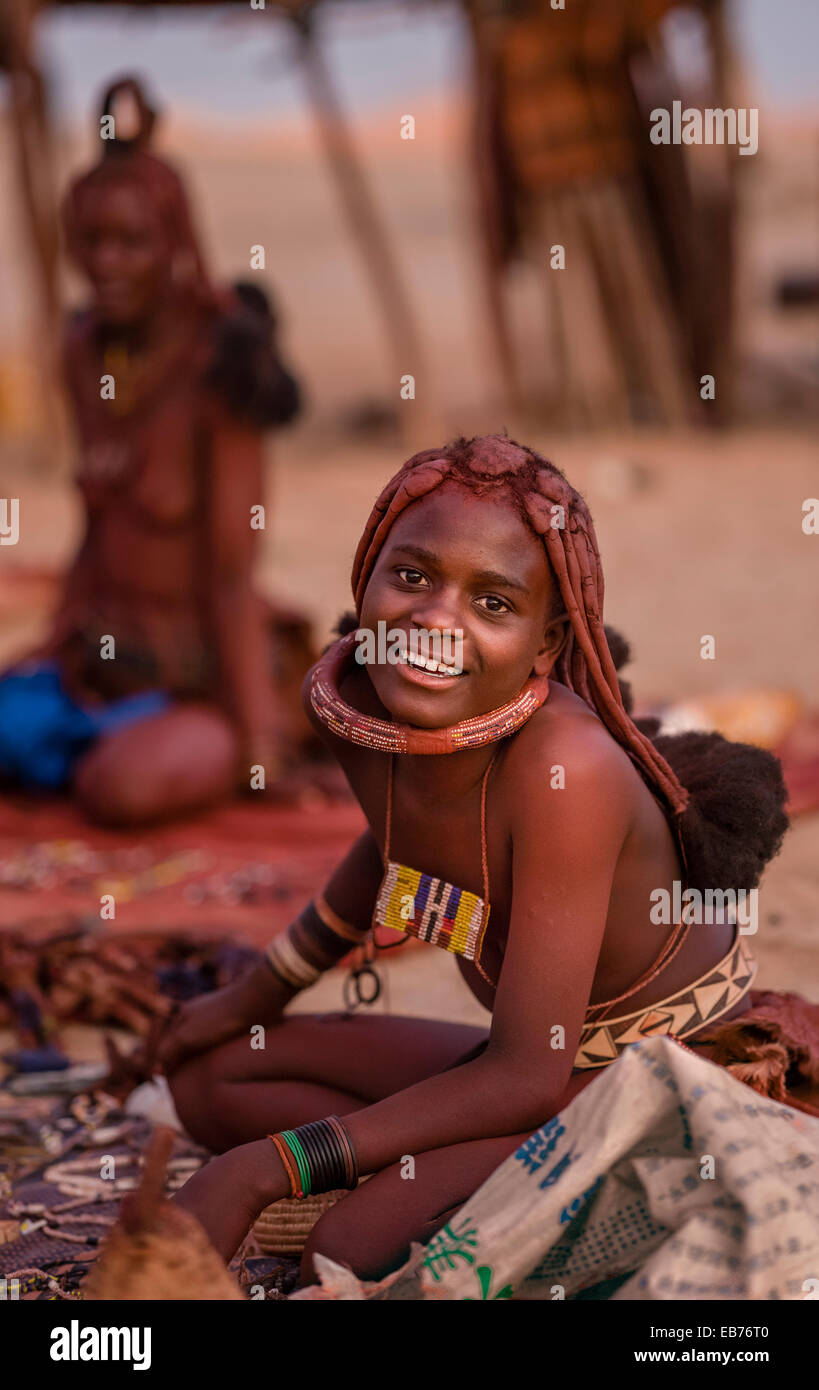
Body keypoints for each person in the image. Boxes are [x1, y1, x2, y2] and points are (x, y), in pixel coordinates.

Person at [163, 433, 802, 1283]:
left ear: (544, 645)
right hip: (519, 1064)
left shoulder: (562, 774)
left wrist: (270, 1167)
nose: (435, 623)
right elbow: (391, 839)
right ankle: (413, 1175)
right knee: (212, 1078)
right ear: (366, 576)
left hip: (635, 1071)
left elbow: (527, 1075)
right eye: (414, 577)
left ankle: (414, 1188)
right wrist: (260, 988)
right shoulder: (359, 698)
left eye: (493, 604)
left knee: (343, 1247)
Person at [0, 77, 304, 825]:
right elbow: (99, 530)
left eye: (131, 242)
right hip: (100, 669)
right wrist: (54, 649)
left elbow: (234, 573)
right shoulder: (84, 353)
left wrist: (259, 739)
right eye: (91, 241)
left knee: (119, 790)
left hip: (200, 679)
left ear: (173, 243)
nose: (107, 263)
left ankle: (247, 733)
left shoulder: (217, 367)